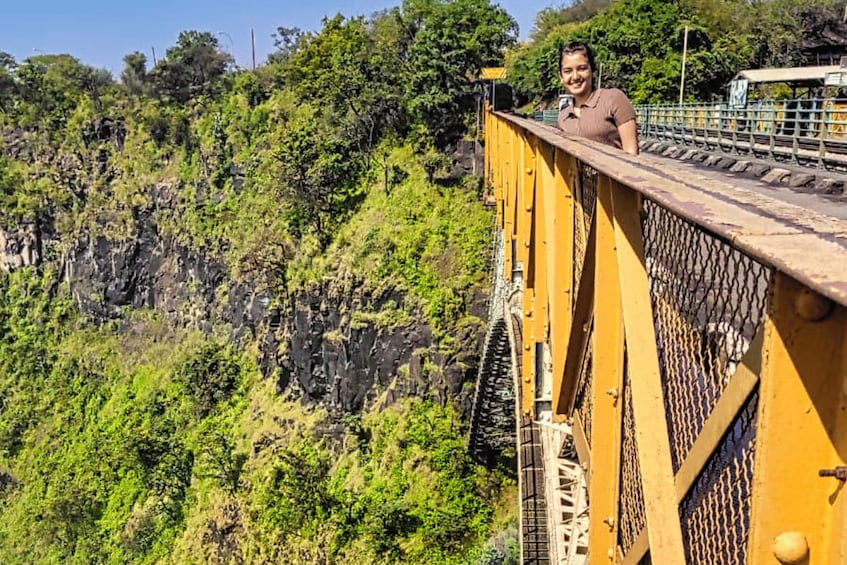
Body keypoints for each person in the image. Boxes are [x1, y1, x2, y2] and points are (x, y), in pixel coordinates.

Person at [556, 41, 639, 155]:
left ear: (592, 71)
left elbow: (632, 153)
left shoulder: (614, 99)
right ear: (561, 76)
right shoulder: (563, 116)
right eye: (568, 71)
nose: (575, 77)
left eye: (582, 68)